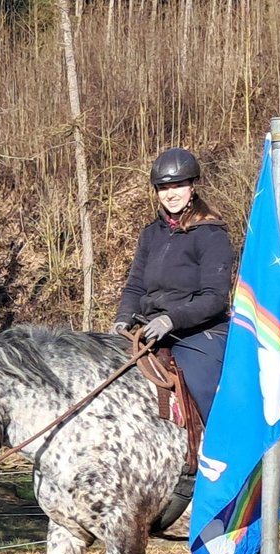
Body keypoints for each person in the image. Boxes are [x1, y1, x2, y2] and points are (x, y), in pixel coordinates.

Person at [112, 147, 233, 423]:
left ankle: (218, 451)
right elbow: (135, 287)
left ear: (192, 186)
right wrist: (122, 320)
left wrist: (171, 319)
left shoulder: (211, 234)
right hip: (150, 329)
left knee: (201, 384)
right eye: (164, 187)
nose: (171, 193)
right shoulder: (150, 234)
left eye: (178, 185)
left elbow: (214, 297)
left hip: (200, 332)